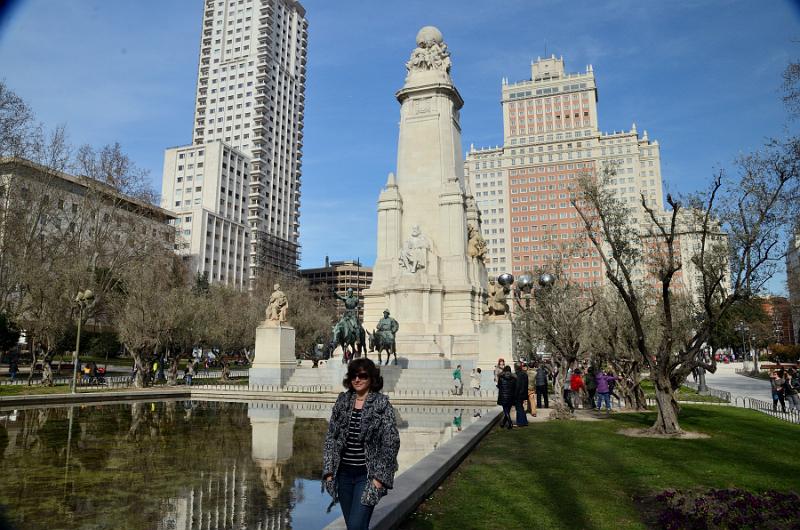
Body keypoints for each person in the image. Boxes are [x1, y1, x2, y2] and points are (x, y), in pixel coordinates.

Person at [323, 358, 400, 530]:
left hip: (367, 476)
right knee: (354, 526)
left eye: (362, 376)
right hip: (343, 475)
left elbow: (391, 442)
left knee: (357, 526)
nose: (357, 379)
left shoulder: (382, 404)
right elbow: (331, 439)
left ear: (371, 378)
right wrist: (328, 472)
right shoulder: (342, 402)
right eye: (353, 375)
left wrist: (378, 479)